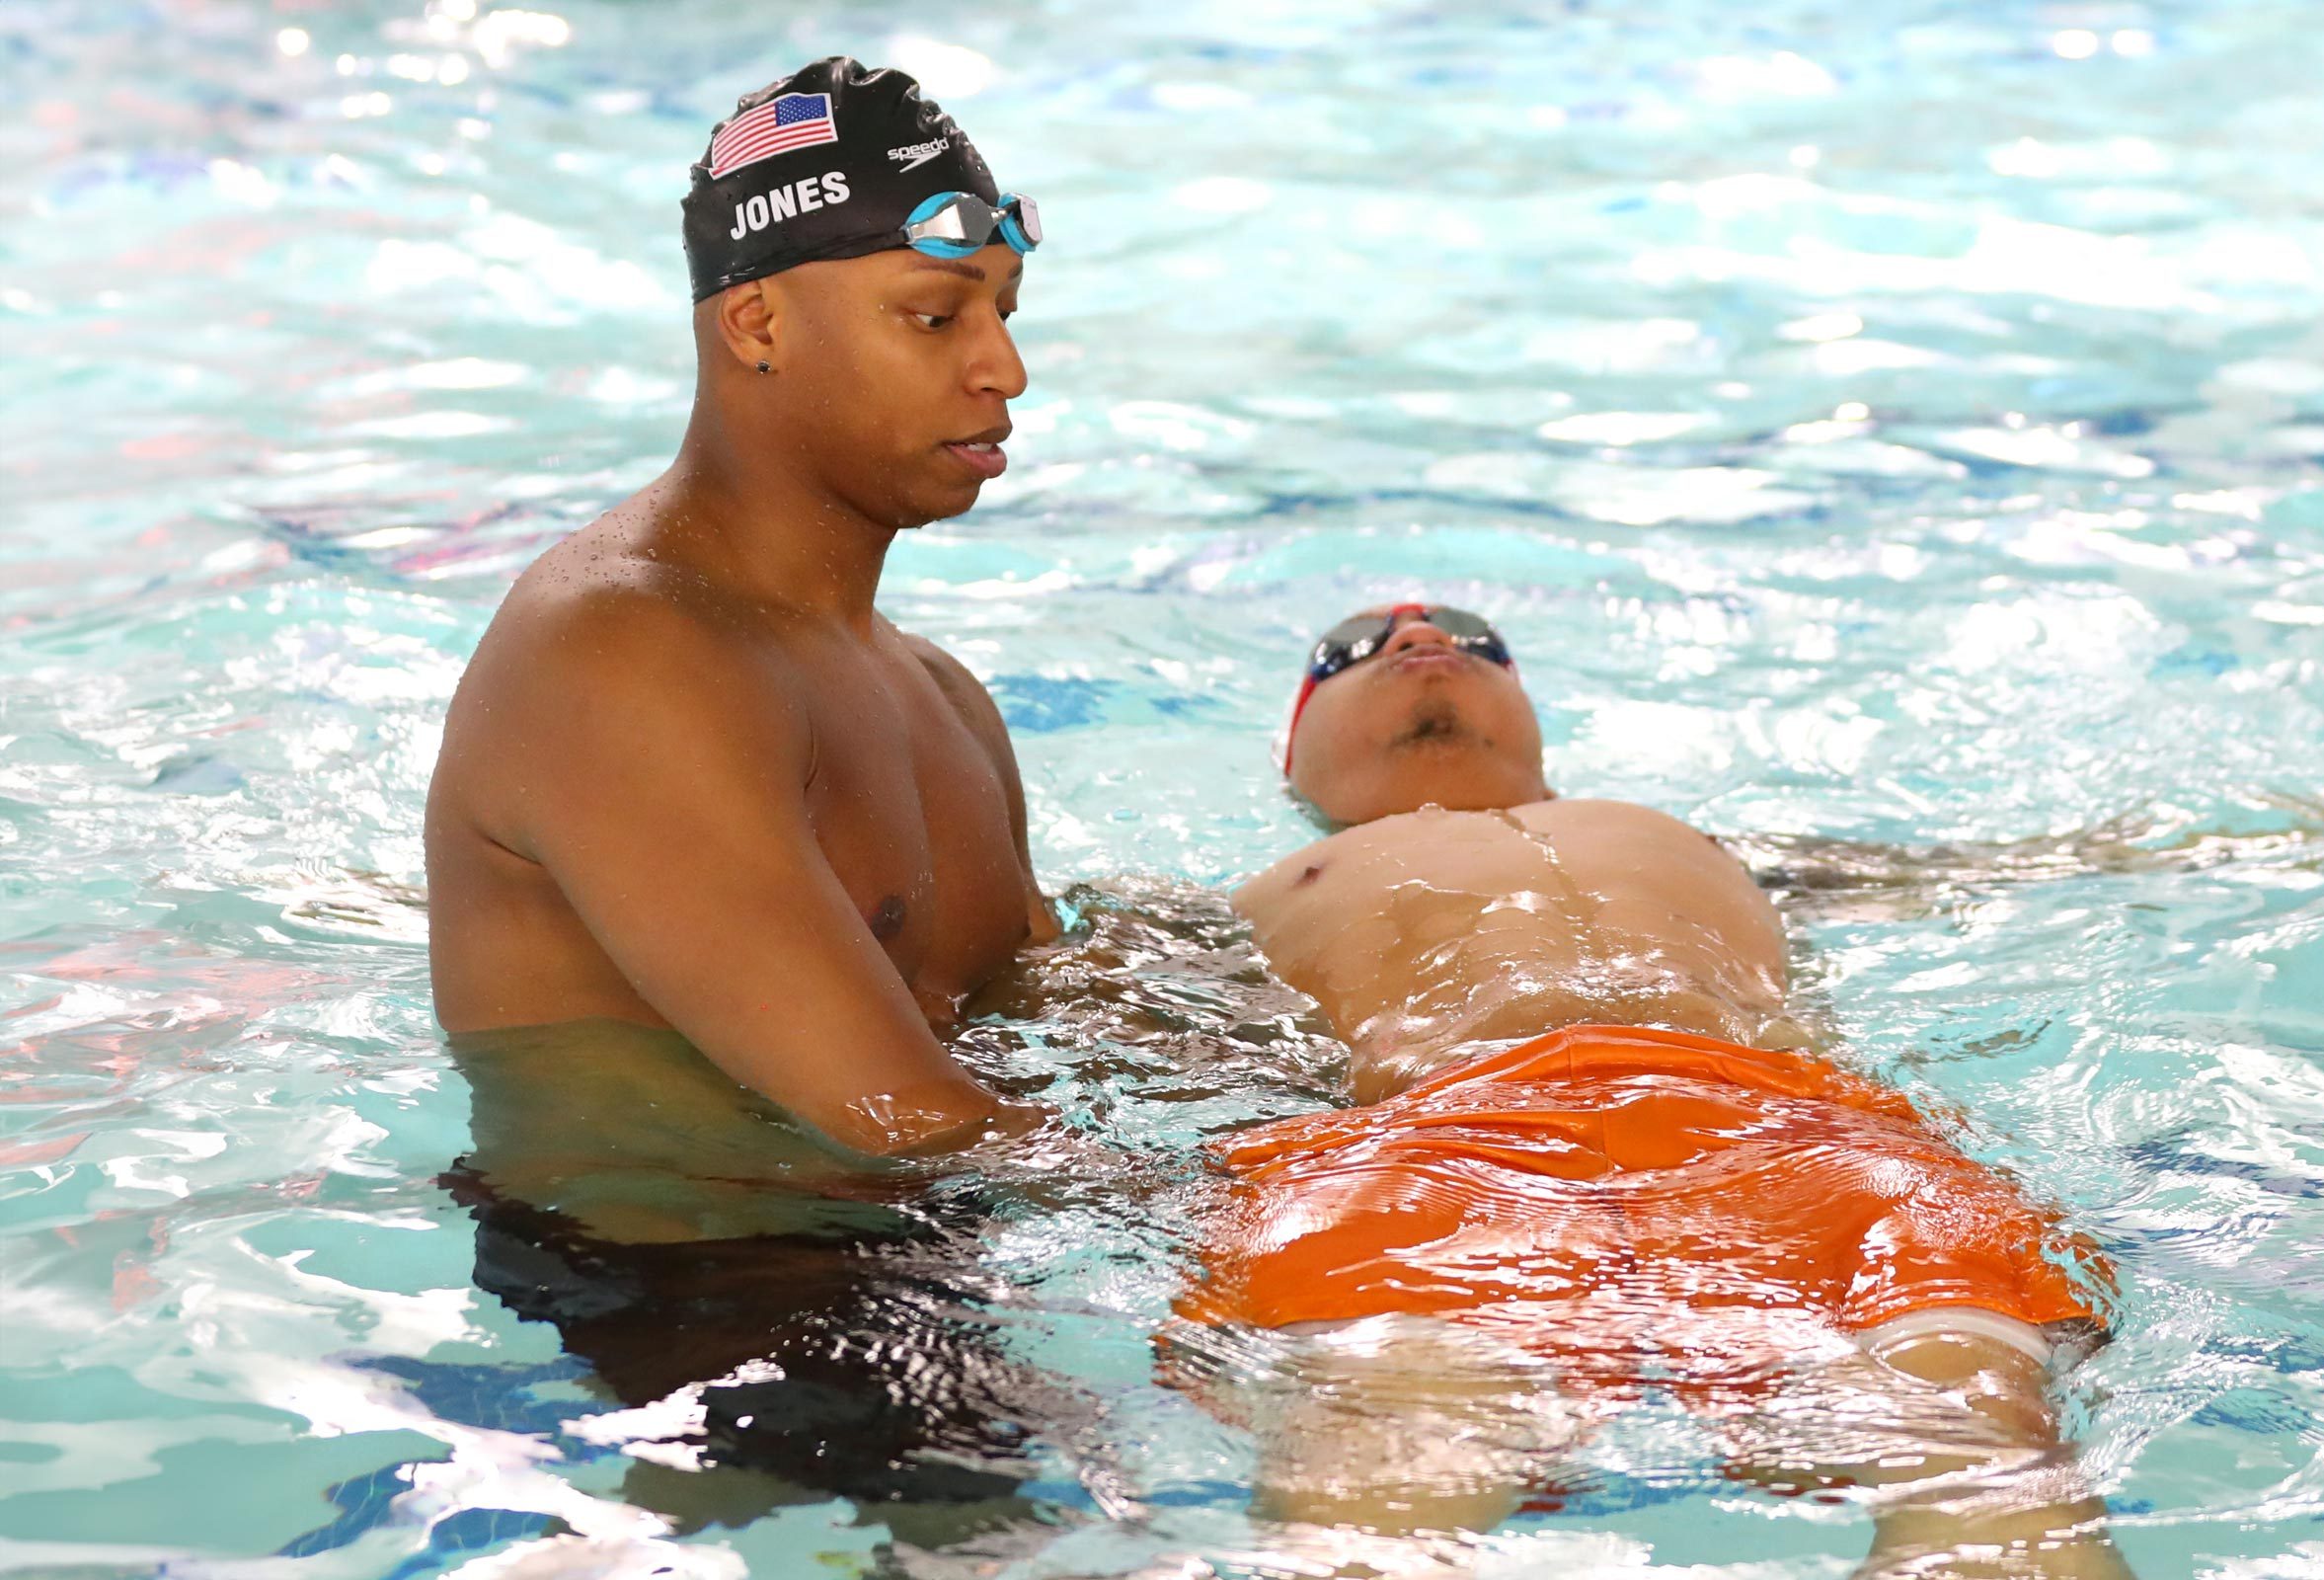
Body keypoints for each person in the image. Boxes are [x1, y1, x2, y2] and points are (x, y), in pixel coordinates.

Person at [1169, 603, 2134, 1578]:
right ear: (1292, 758)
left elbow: (2074, 859)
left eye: (1472, 635)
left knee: (1980, 1452)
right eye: (1353, 649)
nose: (1421, 638)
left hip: (1794, 1124)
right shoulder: (1210, 909)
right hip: (1439, 1137)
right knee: (1385, 1458)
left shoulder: (1733, 847)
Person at [424, 58, 1057, 1159]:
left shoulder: (943, 695)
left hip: (944, 1242)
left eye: (1002, 311)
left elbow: (1057, 1019)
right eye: (933, 316)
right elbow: (904, 1120)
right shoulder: (615, 654)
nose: (1005, 367)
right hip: (695, 1297)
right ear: (757, 324)